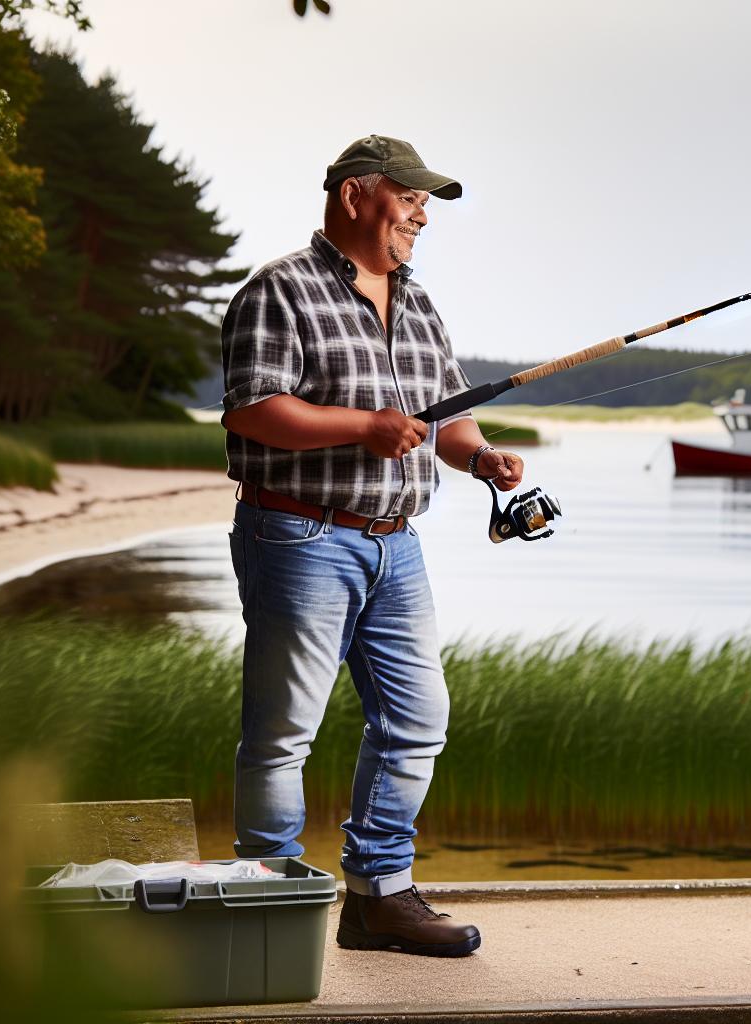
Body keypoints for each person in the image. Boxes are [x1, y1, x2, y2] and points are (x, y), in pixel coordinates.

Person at [219, 135, 522, 957]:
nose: (423, 213)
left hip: (398, 544)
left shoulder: (421, 304)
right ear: (356, 196)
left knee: (419, 719)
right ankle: (265, 901)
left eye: (427, 202)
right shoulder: (278, 290)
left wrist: (479, 456)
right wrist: (365, 427)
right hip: (297, 534)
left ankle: (379, 897)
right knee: (285, 732)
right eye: (410, 196)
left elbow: (446, 419)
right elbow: (253, 410)